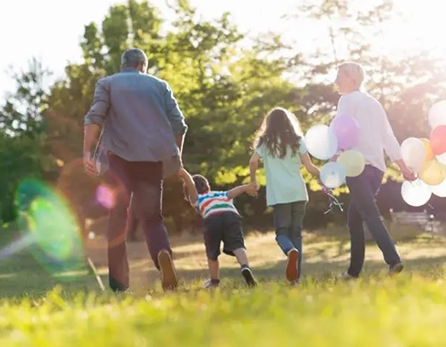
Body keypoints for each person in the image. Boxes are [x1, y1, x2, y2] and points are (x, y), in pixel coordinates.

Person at [83, 48, 188, 293]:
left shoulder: (107, 83)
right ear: (143, 65)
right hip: (151, 160)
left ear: (123, 65)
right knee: (152, 218)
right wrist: (176, 155)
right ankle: (163, 255)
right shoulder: (160, 85)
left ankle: (119, 282)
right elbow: (179, 124)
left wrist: (87, 152)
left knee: (118, 216)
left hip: (118, 160)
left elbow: (94, 116)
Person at [333, 61, 417, 280]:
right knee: (354, 218)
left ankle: (393, 261)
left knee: (369, 214)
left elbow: (341, 130)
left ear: (351, 78)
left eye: (339, 75)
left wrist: (333, 159)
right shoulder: (374, 103)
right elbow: (388, 137)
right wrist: (403, 168)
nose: (336, 80)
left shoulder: (346, 100)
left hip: (356, 166)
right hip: (377, 168)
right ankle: (353, 272)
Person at [248, 107, 321, 284]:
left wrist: (253, 181)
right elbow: (310, 168)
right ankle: (296, 279)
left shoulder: (266, 142)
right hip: (298, 192)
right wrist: (325, 176)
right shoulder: (298, 141)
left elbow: (253, 161)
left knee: (282, 233)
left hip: (279, 195)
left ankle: (289, 251)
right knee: (296, 234)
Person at [179, 168, 258, 289]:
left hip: (212, 219)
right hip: (231, 215)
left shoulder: (196, 199)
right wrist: (248, 186)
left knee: (212, 252)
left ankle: (214, 281)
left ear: (189, 195)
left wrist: (183, 174)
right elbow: (234, 192)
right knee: (238, 245)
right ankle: (245, 267)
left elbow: (190, 185)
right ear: (208, 188)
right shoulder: (220, 194)